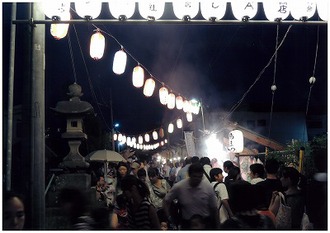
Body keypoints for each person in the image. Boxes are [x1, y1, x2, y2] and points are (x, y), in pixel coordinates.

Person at [163, 163, 220, 229]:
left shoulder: (207, 187)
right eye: (195, 176)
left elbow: (214, 209)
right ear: (190, 175)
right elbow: (166, 201)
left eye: (200, 177)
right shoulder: (180, 187)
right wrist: (169, 218)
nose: (197, 179)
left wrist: (217, 226)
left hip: (205, 223)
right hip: (187, 224)